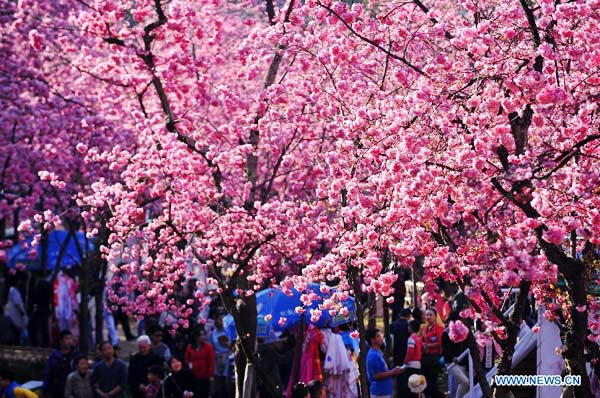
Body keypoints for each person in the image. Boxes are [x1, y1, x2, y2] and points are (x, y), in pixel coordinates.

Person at [365, 328, 403, 398]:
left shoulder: (378, 351)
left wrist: (394, 371)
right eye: (378, 336)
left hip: (385, 391)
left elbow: (383, 370)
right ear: (372, 340)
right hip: (380, 393)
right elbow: (376, 375)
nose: (381, 338)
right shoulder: (373, 355)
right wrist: (393, 372)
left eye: (380, 335)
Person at [42, 330, 78, 398]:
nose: (70, 341)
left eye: (71, 338)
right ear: (60, 341)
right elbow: (48, 374)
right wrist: (45, 389)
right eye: (67, 338)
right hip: (56, 390)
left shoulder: (76, 355)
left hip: (72, 390)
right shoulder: (53, 356)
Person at [420, 308, 444, 398]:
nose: (428, 317)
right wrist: (423, 345)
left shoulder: (439, 328)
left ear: (435, 317)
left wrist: (428, 345)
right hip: (425, 356)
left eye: (430, 315)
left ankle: (438, 395)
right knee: (425, 379)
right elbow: (422, 340)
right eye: (426, 315)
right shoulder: (424, 328)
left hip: (434, 357)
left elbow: (440, 342)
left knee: (432, 379)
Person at [184, 330, 214, 398]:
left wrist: (210, 376)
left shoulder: (208, 347)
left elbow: (211, 362)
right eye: (201, 335)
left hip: (204, 376)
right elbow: (186, 360)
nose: (203, 337)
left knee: (204, 394)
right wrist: (191, 366)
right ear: (196, 337)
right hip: (193, 376)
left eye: (203, 335)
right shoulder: (189, 347)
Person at [399, 320, 423, 398]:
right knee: (416, 387)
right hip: (418, 364)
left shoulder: (411, 339)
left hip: (411, 365)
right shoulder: (419, 338)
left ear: (411, 328)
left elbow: (410, 352)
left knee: (409, 388)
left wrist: (405, 362)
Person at [211, 314, 232, 398]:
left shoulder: (227, 330)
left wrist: (225, 343)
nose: (220, 321)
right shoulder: (213, 333)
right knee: (219, 381)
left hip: (227, 356)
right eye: (219, 319)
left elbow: (231, 344)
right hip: (217, 357)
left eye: (222, 320)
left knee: (227, 380)